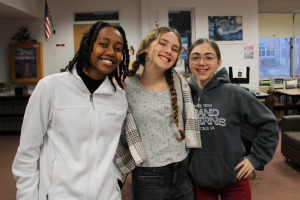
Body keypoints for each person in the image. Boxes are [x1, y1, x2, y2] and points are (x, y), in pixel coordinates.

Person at [12, 21, 130, 200]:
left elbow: (115, 148)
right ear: (87, 46)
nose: (111, 52)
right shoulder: (50, 87)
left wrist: (116, 182)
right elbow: (27, 152)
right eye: (103, 44)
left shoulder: (119, 97)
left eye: (118, 48)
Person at [115, 26, 202, 200]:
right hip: (149, 174)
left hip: (184, 168)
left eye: (175, 49)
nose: (169, 51)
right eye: (163, 43)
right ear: (147, 47)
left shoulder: (179, 78)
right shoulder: (125, 86)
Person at [187, 38, 279, 200]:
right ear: (189, 62)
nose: (202, 62)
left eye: (209, 57)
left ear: (218, 62)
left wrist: (256, 158)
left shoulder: (235, 93)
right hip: (199, 179)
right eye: (195, 57)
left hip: (234, 177)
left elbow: (268, 123)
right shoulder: (184, 93)